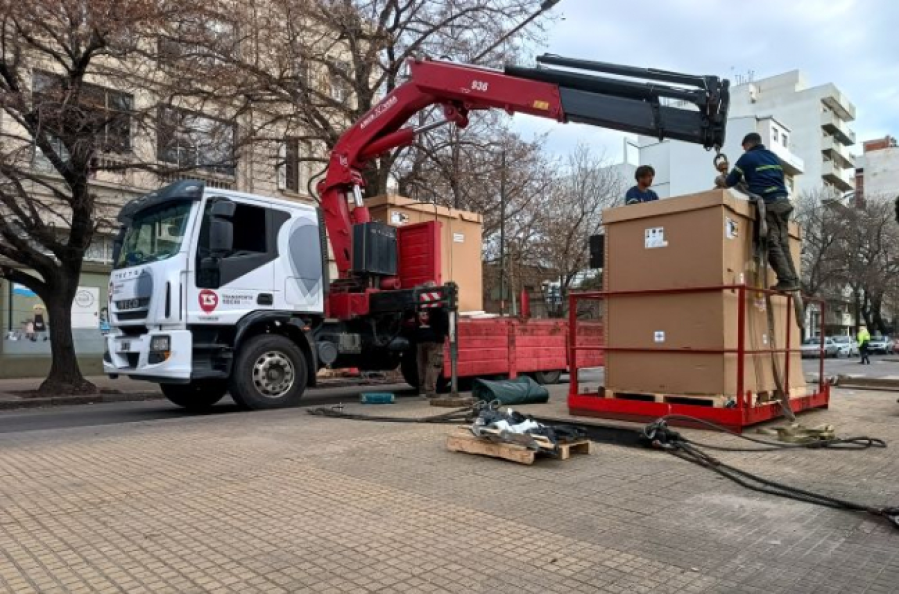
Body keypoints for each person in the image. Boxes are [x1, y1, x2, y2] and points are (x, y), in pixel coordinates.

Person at [723, 132, 800, 292]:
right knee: (783, 243)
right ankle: (793, 279)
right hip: (783, 203)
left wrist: (721, 179)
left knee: (772, 242)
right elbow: (764, 178)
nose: (744, 150)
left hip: (769, 203)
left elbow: (730, 181)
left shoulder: (747, 158)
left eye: (744, 147)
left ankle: (786, 280)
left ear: (749, 145)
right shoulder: (773, 157)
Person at [416, 300, 449, 398]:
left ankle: (422, 390)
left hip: (420, 338)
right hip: (435, 339)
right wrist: (446, 333)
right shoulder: (439, 304)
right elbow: (445, 322)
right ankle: (430, 391)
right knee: (434, 364)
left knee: (421, 364)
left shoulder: (418, 304)